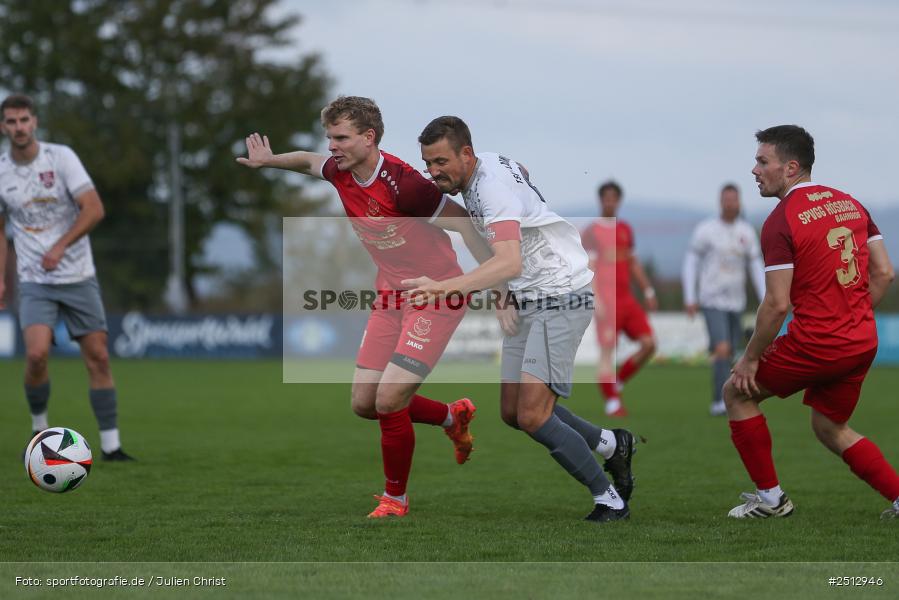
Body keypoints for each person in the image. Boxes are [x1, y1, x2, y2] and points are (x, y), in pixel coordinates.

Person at [237, 96, 484, 519]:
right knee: (364, 403)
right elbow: (308, 162)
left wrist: (498, 281)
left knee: (389, 400)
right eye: (330, 137)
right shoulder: (341, 170)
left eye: (341, 138)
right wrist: (270, 160)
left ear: (368, 138)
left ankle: (395, 501)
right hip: (390, 295)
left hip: (435, 294)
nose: (332, 146)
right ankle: (451, 417)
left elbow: (465, 223)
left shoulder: (406, 186)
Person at [407, 116, 638, 522]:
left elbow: (509, 259)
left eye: (441, 161)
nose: (434, 172)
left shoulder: (491, 191)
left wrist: (446, 287)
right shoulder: (489, 165)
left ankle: (609, 499)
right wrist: (503, 295)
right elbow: (523, 176)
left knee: (533, 415)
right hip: (528, 296)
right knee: (513, 412)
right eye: (428, 163)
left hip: (560, 294)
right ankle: (610, 443)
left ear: (466, 153)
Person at [725, 124, 899, 519]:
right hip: (860, 341)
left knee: (736, 394)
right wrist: (851, 314)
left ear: (790, 168)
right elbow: (885, 272)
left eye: (761, 161)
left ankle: (771, 500)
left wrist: (750, 357)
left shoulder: (781, 220)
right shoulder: (851, 204)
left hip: (818, 342)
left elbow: (775, 304)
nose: (754, 170)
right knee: (830, 425)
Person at [0, 93, 134, 461]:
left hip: (77, 274)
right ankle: (39, 430)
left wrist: (60, 246)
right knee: (37, 355)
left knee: (99, 357)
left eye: (24, 120)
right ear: (3, 127)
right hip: (34, 279)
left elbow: (94, 209)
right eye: (11, 122)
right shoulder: (1, 171)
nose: (19, 127)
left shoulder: (61, 158)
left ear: (35, 122)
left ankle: (111, 446)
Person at [682, 183, 765, 416]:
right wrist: (690, 296)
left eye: (734, 200)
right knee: (722, 348)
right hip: (711, 300)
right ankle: (719, 400)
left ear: (739, 202)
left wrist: (765, 296)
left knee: (730, 352)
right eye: (727, 199)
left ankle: (729, 395)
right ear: (721, 202)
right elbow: (691, 263)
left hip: (735, 302)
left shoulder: (746, 232)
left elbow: (755, 265)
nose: (730, 204)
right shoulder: (706, 230)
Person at [580, 181, 657, 417]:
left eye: (614, 197)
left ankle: (618, 382)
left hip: (627, 301)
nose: (610, 201)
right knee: (607, 353)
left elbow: (633, 263)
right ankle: (612, 402)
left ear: (619, 201)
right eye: (606, 197)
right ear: (600, 200)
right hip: (607, 301)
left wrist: (648, 290)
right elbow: (589, 268)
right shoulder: (592, 230)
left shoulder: (625, 228)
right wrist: (597, 300)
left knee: (649, 344)